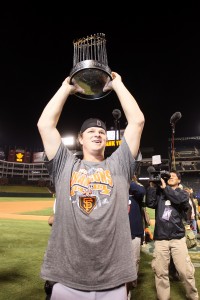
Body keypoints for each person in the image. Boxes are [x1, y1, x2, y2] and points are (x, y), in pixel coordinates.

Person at [37, 71, 145, 300]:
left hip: (113, 278)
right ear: (81, 138)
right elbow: (45, 124)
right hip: (67, 277)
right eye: (91, 131)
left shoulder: (120, 164)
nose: (98, 134)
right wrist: (66, 88)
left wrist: (118, 85)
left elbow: (137, 121)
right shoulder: (64, 165)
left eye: (102, 132)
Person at [146, 170, 199, 300]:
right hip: (161, 238)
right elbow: (150, 203)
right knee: (160, 272)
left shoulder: (183, 194)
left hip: (177, 238)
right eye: (169, 176)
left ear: (179, 180)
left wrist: (165, 189)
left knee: (185, 271)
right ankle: (163, 298)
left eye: (173, 176)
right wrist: (153, 186)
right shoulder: (160, 194)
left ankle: (193, 296)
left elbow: (178, 200)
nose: (170, 177)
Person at [127, 174, 146, 300]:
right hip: (118, 233)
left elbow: (141, 191)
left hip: (134, 231)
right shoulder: (115, 189)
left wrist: (128, 181)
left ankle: (132, 283)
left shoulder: (137, 189)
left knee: (134, 259)